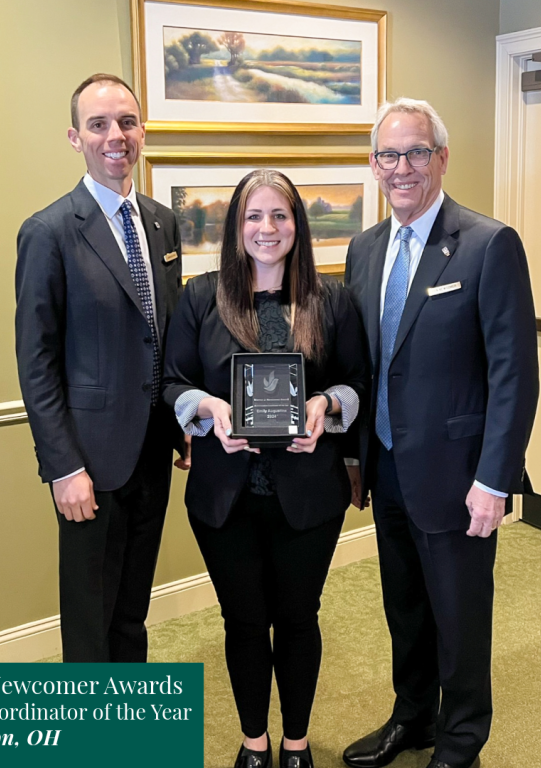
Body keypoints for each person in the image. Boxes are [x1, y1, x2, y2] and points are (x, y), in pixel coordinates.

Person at [341, 98, 538, 768]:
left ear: (442, 158)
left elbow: (515, 375)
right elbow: (364, 365)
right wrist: (353, 459)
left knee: (460, 617)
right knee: (406, 609)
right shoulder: (365, 249)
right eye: (389, 155)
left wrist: (495, 480)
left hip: (460, 476)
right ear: (374, 165)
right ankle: (413, 719)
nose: (403, 167)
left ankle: (460, 742)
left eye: (417, 152)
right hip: (389, 467)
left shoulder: (488, 244)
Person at [163, 169, 367, 768]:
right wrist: (206, 408)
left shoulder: (333, 299)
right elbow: (172, 382)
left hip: (308, 497)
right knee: (244, 622)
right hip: (226, 497)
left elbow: (358, 382)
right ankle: (255, 744)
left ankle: (296, 745)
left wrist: (325, 407)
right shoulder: (202, 297)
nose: (267, 228)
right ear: (236, 228)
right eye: (254, 216)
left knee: (299, 619)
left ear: (297, 225)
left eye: (280, 216)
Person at [15, 73, 183, 663]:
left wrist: (178, 423)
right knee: (90, 624)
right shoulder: (49, 232)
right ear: (75, 137)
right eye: (99, 124)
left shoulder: (163, 223)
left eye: (127, 122)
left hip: (152, 454)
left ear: (143, 131)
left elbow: (163, 335)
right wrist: (63, 468)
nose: (116, 135)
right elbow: (36, 362)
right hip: (88, 463)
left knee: (132, 612)